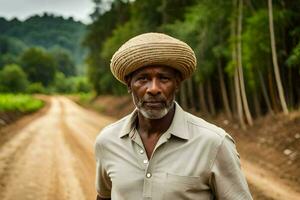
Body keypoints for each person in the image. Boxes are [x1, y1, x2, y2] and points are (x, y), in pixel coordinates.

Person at [94, 32, 253, 200]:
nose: (153, 89)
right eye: (143, 79)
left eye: (164, 78)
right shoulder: (107, 141)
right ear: (129, 84)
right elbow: (104, 196)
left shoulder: (213, 143)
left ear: (177, 83)